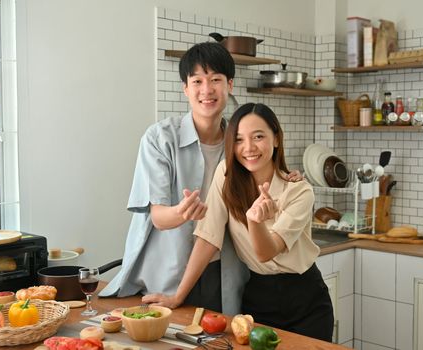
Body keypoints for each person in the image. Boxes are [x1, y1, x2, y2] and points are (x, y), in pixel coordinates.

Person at [100, 43, 301, 315]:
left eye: (216, 80)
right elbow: (158, 217)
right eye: (197, 81)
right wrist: (182, 212)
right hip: (167, 275)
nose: (207, 90)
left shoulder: (239, 141)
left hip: (222, 272)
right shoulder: (159, 138)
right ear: (185, 88)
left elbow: (264, 176)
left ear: (229, 85)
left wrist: (285, 177)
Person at [149, 103, 334, 342]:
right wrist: (178, 296)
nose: (248, 148)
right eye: (238, 139)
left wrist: (254, 221)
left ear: (276, 139)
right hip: (259, 298)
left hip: (306, 300)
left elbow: (266, 252)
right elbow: (209, 236)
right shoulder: (226, 175)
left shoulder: (299, 191)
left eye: (258, 136)